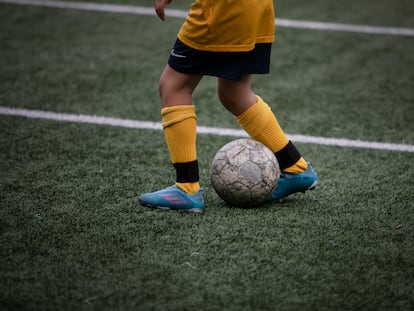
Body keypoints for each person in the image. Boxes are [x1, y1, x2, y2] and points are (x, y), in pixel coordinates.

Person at [138, 0, 318, 212]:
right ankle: (296, 168)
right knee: (235, 94)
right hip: (257, 8)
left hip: (222, 9)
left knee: (173, 87)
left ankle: (186, 188)